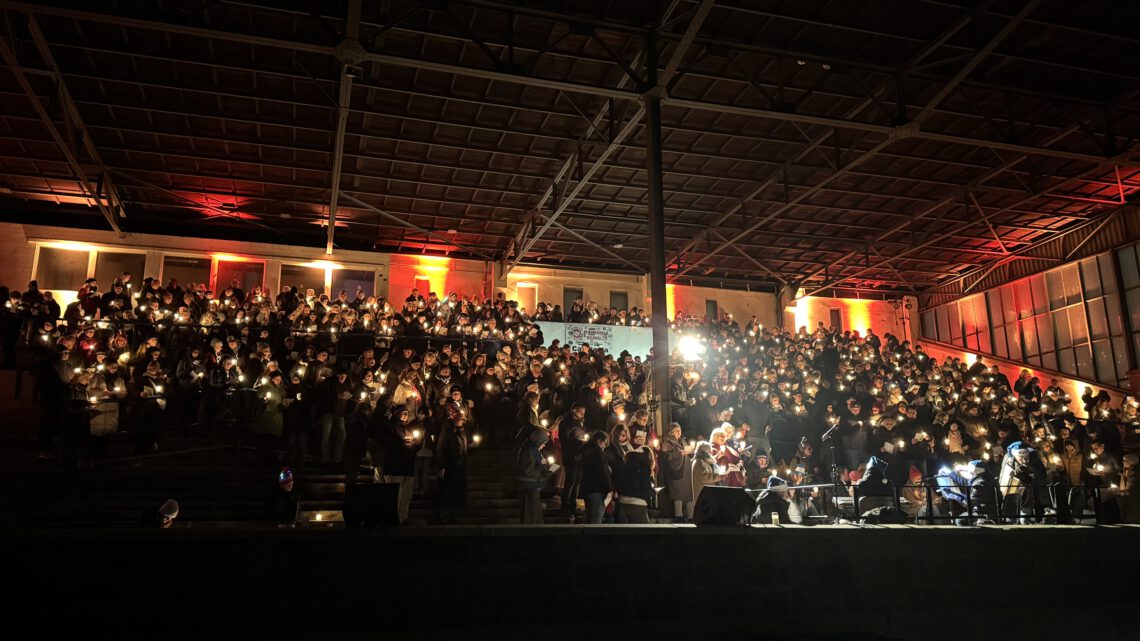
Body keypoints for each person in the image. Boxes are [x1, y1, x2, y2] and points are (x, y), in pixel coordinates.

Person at [381, 407, 420, 525]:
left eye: (407, 413)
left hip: (407, 468)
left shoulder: (406, 430)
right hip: (394, 467)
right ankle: (393, 519)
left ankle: (403, 517)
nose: (405, 415)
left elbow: (412, 449)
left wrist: (416, 443)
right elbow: (386, 444)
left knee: (406, 496)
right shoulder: (389, 428)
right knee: (395, 496)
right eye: (402, 413)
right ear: (396, 414)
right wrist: (403, 443)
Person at [435, 415, 470, 525]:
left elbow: (462, 448)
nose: (462, 421)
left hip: (459, 467)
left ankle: (455, 514)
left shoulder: (462, 432)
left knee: (457, 491)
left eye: (462, 420)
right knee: (448, 490)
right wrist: (442, 466)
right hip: (450, 466)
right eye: (460, 419)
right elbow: (441, 448)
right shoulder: (447, 432)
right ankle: (444, 514)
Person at [614, 428, 654, 524]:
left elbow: (620, 480)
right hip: (638, 502)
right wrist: (650, 496)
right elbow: (645, 485)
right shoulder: (645, 466)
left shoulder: (627, 462)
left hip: (622, 501)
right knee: (644, 533)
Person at [517, 428, 552, 524]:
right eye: (543, 442)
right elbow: (528, 470)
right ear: (538, 440)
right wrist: (545, 471)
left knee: (534, 513)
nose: (544, 445)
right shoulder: (528, 451)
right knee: (530, 514)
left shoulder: (534, 450)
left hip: (533, 485)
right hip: (528, 487)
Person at [578, 430, 612, 524]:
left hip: (587, 488)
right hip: (597, 489)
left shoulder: (585, 451)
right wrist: (609, 488)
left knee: (589, 516)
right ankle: (594, 538)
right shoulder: (597, 453)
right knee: (596, 518)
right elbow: (602, 471)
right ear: (599, 441)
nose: (604, 446)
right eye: (604, 443)